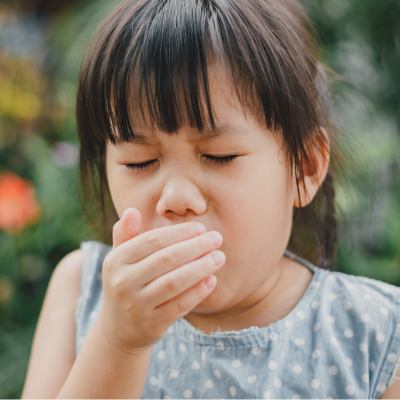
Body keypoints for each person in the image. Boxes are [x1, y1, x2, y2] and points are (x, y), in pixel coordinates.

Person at [21, 0, 400, 398]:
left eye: (219, 156)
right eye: (140, 161)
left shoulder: (377, 336)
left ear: (304, 168)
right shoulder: (82, 289)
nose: (177, 197)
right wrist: (119, 343)